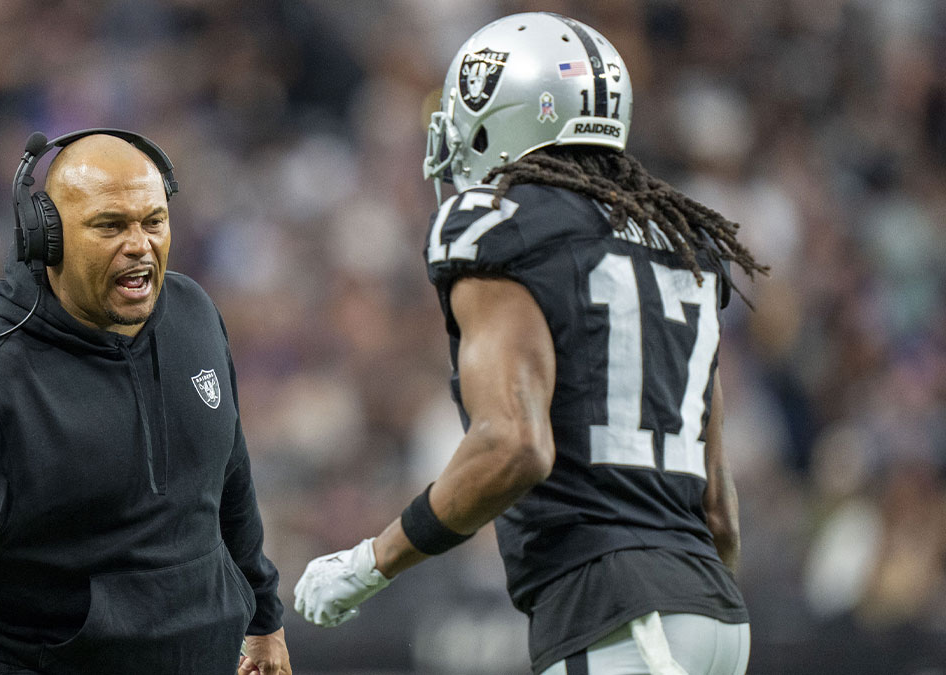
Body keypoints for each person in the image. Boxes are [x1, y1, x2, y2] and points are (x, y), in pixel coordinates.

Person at [294, 12, 766, 675]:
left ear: (505, 117)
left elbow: (515, 444)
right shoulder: (676, 242)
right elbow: (717, 508)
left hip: (617, 615)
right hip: (712, 614)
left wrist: (374, 559)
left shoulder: (498, 224)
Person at [0, 130, 292, 675]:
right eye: (110, 225)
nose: (140, 243)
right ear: (47, 237)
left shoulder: (193, 313)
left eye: (153, 221)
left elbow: (228, 474)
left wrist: (264, 617)